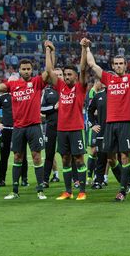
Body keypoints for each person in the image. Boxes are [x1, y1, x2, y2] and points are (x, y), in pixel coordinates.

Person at [86, 32, 130, 201]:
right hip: (110, 124)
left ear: (125, 65)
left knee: (125, 156)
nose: (118, 66)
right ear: (113, 65)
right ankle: (126, 181)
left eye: (121, 64)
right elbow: (91, 64)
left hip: (125, 124)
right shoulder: (108, 79)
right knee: (110, 158)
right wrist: (86, 47)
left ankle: (123, 189)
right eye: (115, 64)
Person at [0, 49, 51, 200]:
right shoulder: (13, 84)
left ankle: (40, 190)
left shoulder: (37, 82)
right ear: (19, 70)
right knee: (17, 157)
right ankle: (14, 190)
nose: (26, 71)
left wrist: (48, 51)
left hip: (34, 126)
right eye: (24, 69)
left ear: (31, 70)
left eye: (28, 69)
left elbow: (49, 71)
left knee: (36, 157)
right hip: (19, 127)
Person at [46, 39, 89, 200]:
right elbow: (50, 71)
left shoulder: (80, 87)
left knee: (79, 159)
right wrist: (49, 50)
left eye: (69, 75)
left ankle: (82, 191)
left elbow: (84, 68)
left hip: (76, 128)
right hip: (62, 129)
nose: (66, 77)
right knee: (65, 159)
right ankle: (68, 191)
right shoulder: (61, 87)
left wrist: (84, 48)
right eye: (65, 75)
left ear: (76, 77)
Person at [0, 90, 28, 187]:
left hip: (19, 129)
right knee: (4, 157)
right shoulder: (2, 97)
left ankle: (24, 179)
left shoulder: (23, 95)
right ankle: (2, 179)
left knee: (22, 155)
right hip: (6, 130)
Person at [41, 68, 61, 187]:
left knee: (69, 154)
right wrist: (54, 107)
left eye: (61, 75)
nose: (59, 77)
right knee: (49, 154)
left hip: (66, 127)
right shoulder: (47, 92)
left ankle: (76, 180)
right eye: (56, 75)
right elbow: (42, 109)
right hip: (51, 127)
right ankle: (45, 180)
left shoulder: (69, 90)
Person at [86, 79, 108, 188]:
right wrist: (93, 125)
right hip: (102, 131)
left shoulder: (120, 94)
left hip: (118, 130)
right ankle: (98, 181)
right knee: (101, 157)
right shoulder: (98, 95)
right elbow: (89, 110)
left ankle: (125, 183)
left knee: (119, 157)